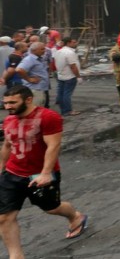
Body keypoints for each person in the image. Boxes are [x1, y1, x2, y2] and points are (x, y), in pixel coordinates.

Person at [0, 85, 89, 257]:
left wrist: (46, 173)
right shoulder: (9, 120)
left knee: (51, 208)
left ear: (28, 99)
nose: (7, 106)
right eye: (5, 103)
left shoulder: (48, 117)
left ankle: (75, 217)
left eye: (12, 102)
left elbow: (53, 145)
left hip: (39, 175)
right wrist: (1, 167)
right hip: (12, 174)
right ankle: (16, 256)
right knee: (4, 217)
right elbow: (7, 145)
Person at [14, 43, 50, 111]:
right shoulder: (30, 59)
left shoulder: (38, 58)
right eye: (42, 49)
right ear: (34, 50)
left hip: (39, 89)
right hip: (34, 90)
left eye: (44, 48)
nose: (44, 50)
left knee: (38, 110)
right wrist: (29, 79)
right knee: (34, 111)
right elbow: (19, 70)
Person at [53, 38, 82, 117]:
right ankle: (68, 110)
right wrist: (78, 77)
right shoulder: (69, 53)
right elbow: (73, 66)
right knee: (66, 94)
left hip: (61, 75)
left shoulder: (58, 51)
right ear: (68, 43)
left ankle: (63, 110)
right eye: (74, 42)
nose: (76, 43)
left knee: (61, 94)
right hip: (70, 76)